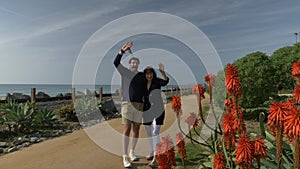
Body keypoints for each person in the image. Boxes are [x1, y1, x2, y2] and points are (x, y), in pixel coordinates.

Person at [113, 42, 146, 168]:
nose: (134, 64)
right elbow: (115, 62)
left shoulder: (142, 76)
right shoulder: (125, 72)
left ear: (138, 64)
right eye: (132, 62)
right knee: (126, 129)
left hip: (139, 105)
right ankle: (125, 156)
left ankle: (132, 152)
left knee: (136, 129)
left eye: (136, 63)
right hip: (127, 104)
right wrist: (123, 50)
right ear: (129, 64)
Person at [142, 64, 169, 167]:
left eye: (151, 73)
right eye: (147, 74)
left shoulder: (157, 81)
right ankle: (153, 151)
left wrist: (163, 73)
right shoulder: (143, 83)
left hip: (158, 109)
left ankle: (156, 157)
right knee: (149, 133)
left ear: (153, 74)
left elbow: (165, 82)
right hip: (147, 110)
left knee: (155, 132)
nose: (149, 76)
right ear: (145, 75)